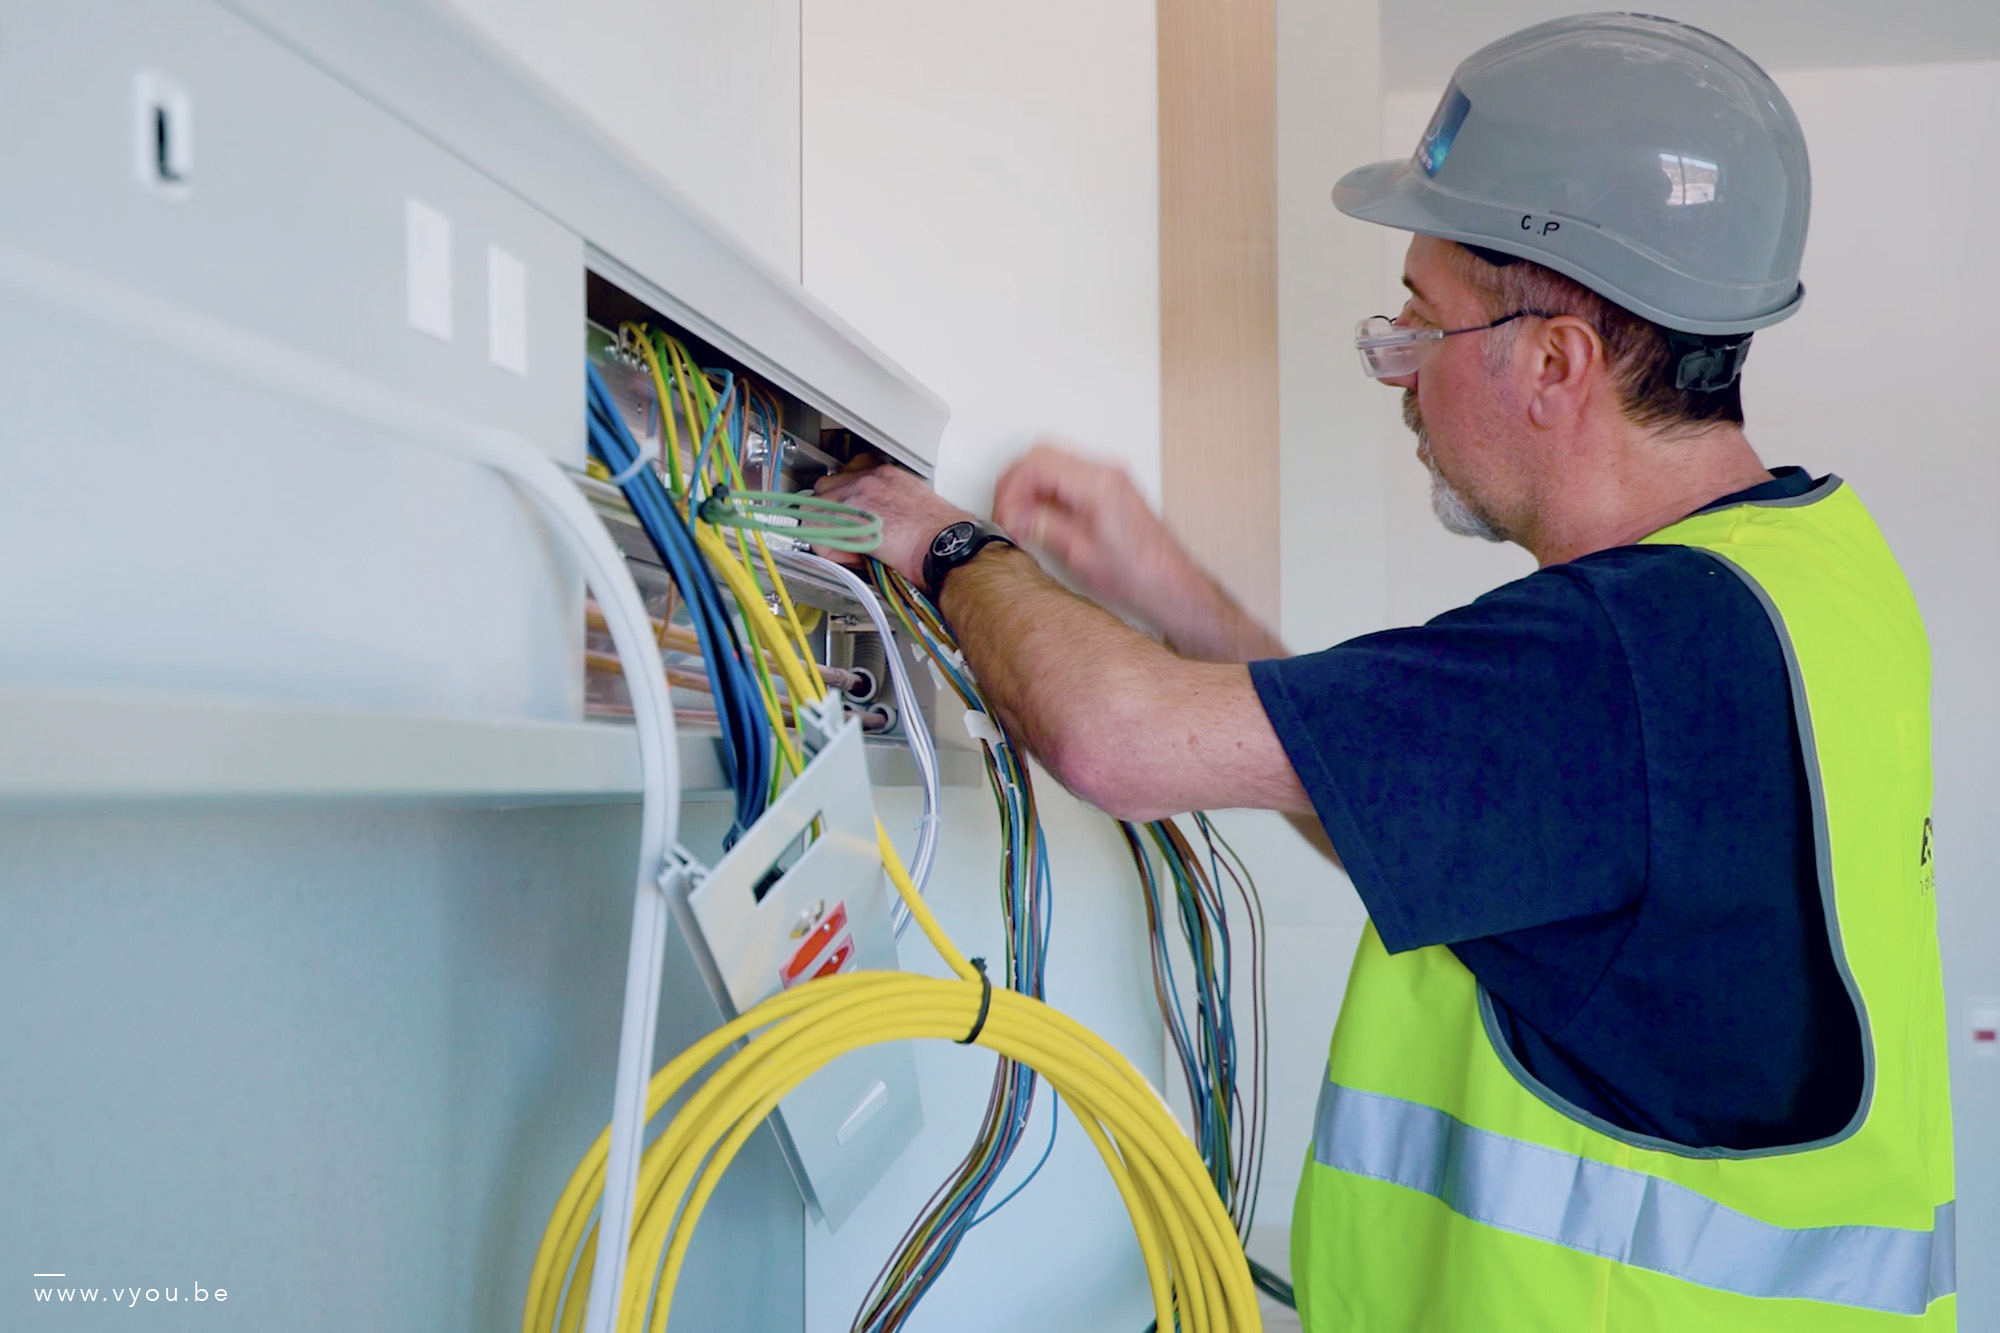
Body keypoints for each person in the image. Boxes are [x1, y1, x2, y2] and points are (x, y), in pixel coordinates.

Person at [819, 14, 1955, 1330]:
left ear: (1552, 359)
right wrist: (1163, 584)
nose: (1400, 382)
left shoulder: (1618, 660)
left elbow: (1111, 739)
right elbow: (1413, 812)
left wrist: (943, 540)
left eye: (1416, 332)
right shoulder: (1811, 579)